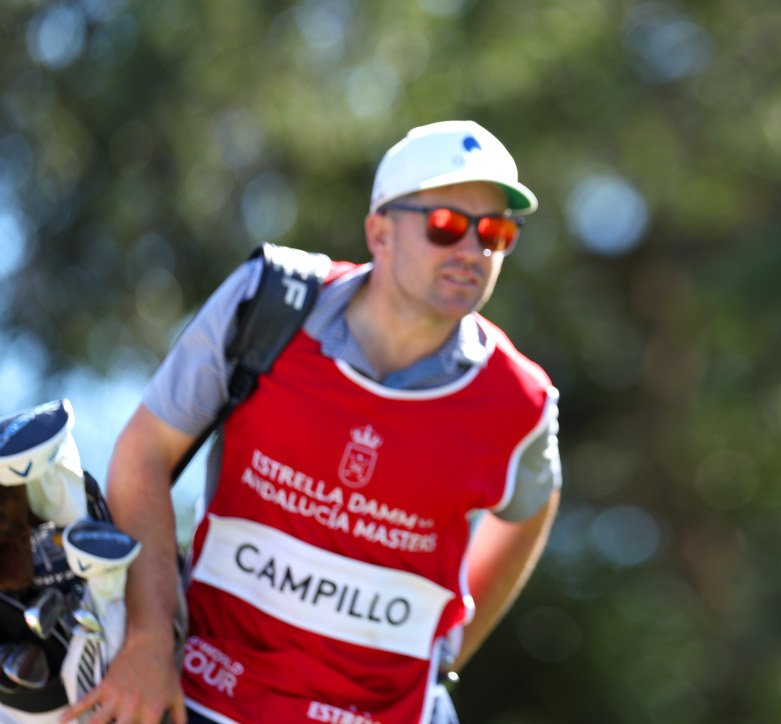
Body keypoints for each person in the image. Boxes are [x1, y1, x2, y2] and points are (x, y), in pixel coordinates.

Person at [65, 120, 562, 723]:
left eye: (495, 233)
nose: (471, 250)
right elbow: (144, 452)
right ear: (379, 231)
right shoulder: (270, 302)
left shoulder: (519, 401)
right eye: (446, 224)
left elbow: (532, 505)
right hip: (205, 698)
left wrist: (448, 648)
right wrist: (148, 640)